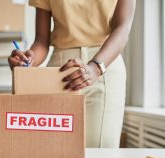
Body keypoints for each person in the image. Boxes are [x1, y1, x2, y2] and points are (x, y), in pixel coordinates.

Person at [8, 0, 135, 148]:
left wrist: (95, 68)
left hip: (104, 64)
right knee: (55, 150)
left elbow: (122, 28)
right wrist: (27, 60)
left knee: (100, 152)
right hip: (60, 71)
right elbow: (41, 41)